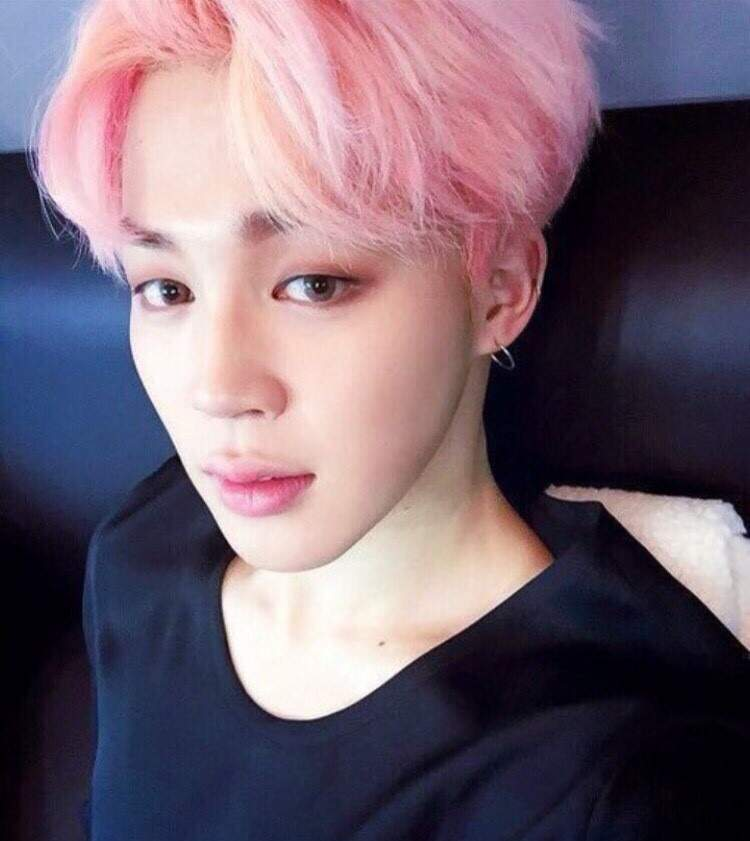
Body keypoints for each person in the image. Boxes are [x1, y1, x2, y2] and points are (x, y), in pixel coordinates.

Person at [28, 1, 749, 839]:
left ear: (501, 288)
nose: (217, 388)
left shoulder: (615, 772)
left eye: (314, 284)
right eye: (166, 288)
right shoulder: (139, 551)